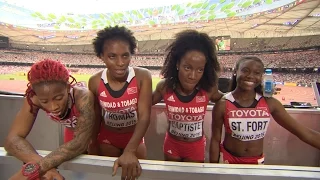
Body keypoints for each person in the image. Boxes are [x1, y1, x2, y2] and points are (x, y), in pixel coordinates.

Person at [209, 56, 320, 164]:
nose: (250, 76)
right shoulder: (222, 104)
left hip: (256, 161)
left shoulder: (270, 103)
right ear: (235, 72)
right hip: (229, 159)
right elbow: (215, 140)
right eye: (245, 70)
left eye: (257, 73)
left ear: (261, 76)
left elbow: (303, 132)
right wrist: (213, 168)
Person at [5, 59, 95, 180]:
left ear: (68, 88)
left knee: (97, 168)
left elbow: (80, 143)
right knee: (77, 173)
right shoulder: (33, 99)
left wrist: (31, 171)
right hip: (72, 132)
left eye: (58, 98)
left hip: (96, 133)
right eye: (44, 101)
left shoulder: (83, 96)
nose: (53, 107)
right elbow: (12, 140)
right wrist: (46, 168)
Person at [88, 26, 152, 179]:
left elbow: (144, 116)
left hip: (134, 139)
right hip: (107, 139)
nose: (120, 63)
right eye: (112, 56)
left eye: (125, 56)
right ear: (101, 56)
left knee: (135, 176)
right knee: (112, 176)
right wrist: (92, 142)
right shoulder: (95, 81)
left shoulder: (143, 76)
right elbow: (96, 116)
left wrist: (130, 150)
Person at [152, 30, 223, 162]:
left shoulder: (208, 89)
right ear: (177, 64)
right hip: (172, 145)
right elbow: (144, 101)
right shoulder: (165, 87)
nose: (192, 76)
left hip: (195, 147)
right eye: (187, 68)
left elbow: (227, 100)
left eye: (199, 70)